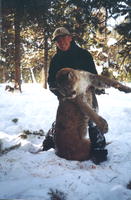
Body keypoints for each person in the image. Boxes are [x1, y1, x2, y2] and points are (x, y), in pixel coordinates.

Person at [43, 27, 107, 164]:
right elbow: (51, 82)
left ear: (70, 38)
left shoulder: (84, 55)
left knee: (92, 120)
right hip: (66, 97)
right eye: (58, 40)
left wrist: (96, 88)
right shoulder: (56, 60)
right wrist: (61, 93)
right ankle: (50, 141)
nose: (61, 42)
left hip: (86, 95)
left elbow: (92, 76)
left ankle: (99, 150)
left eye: (64, 38)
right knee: (63, 121)